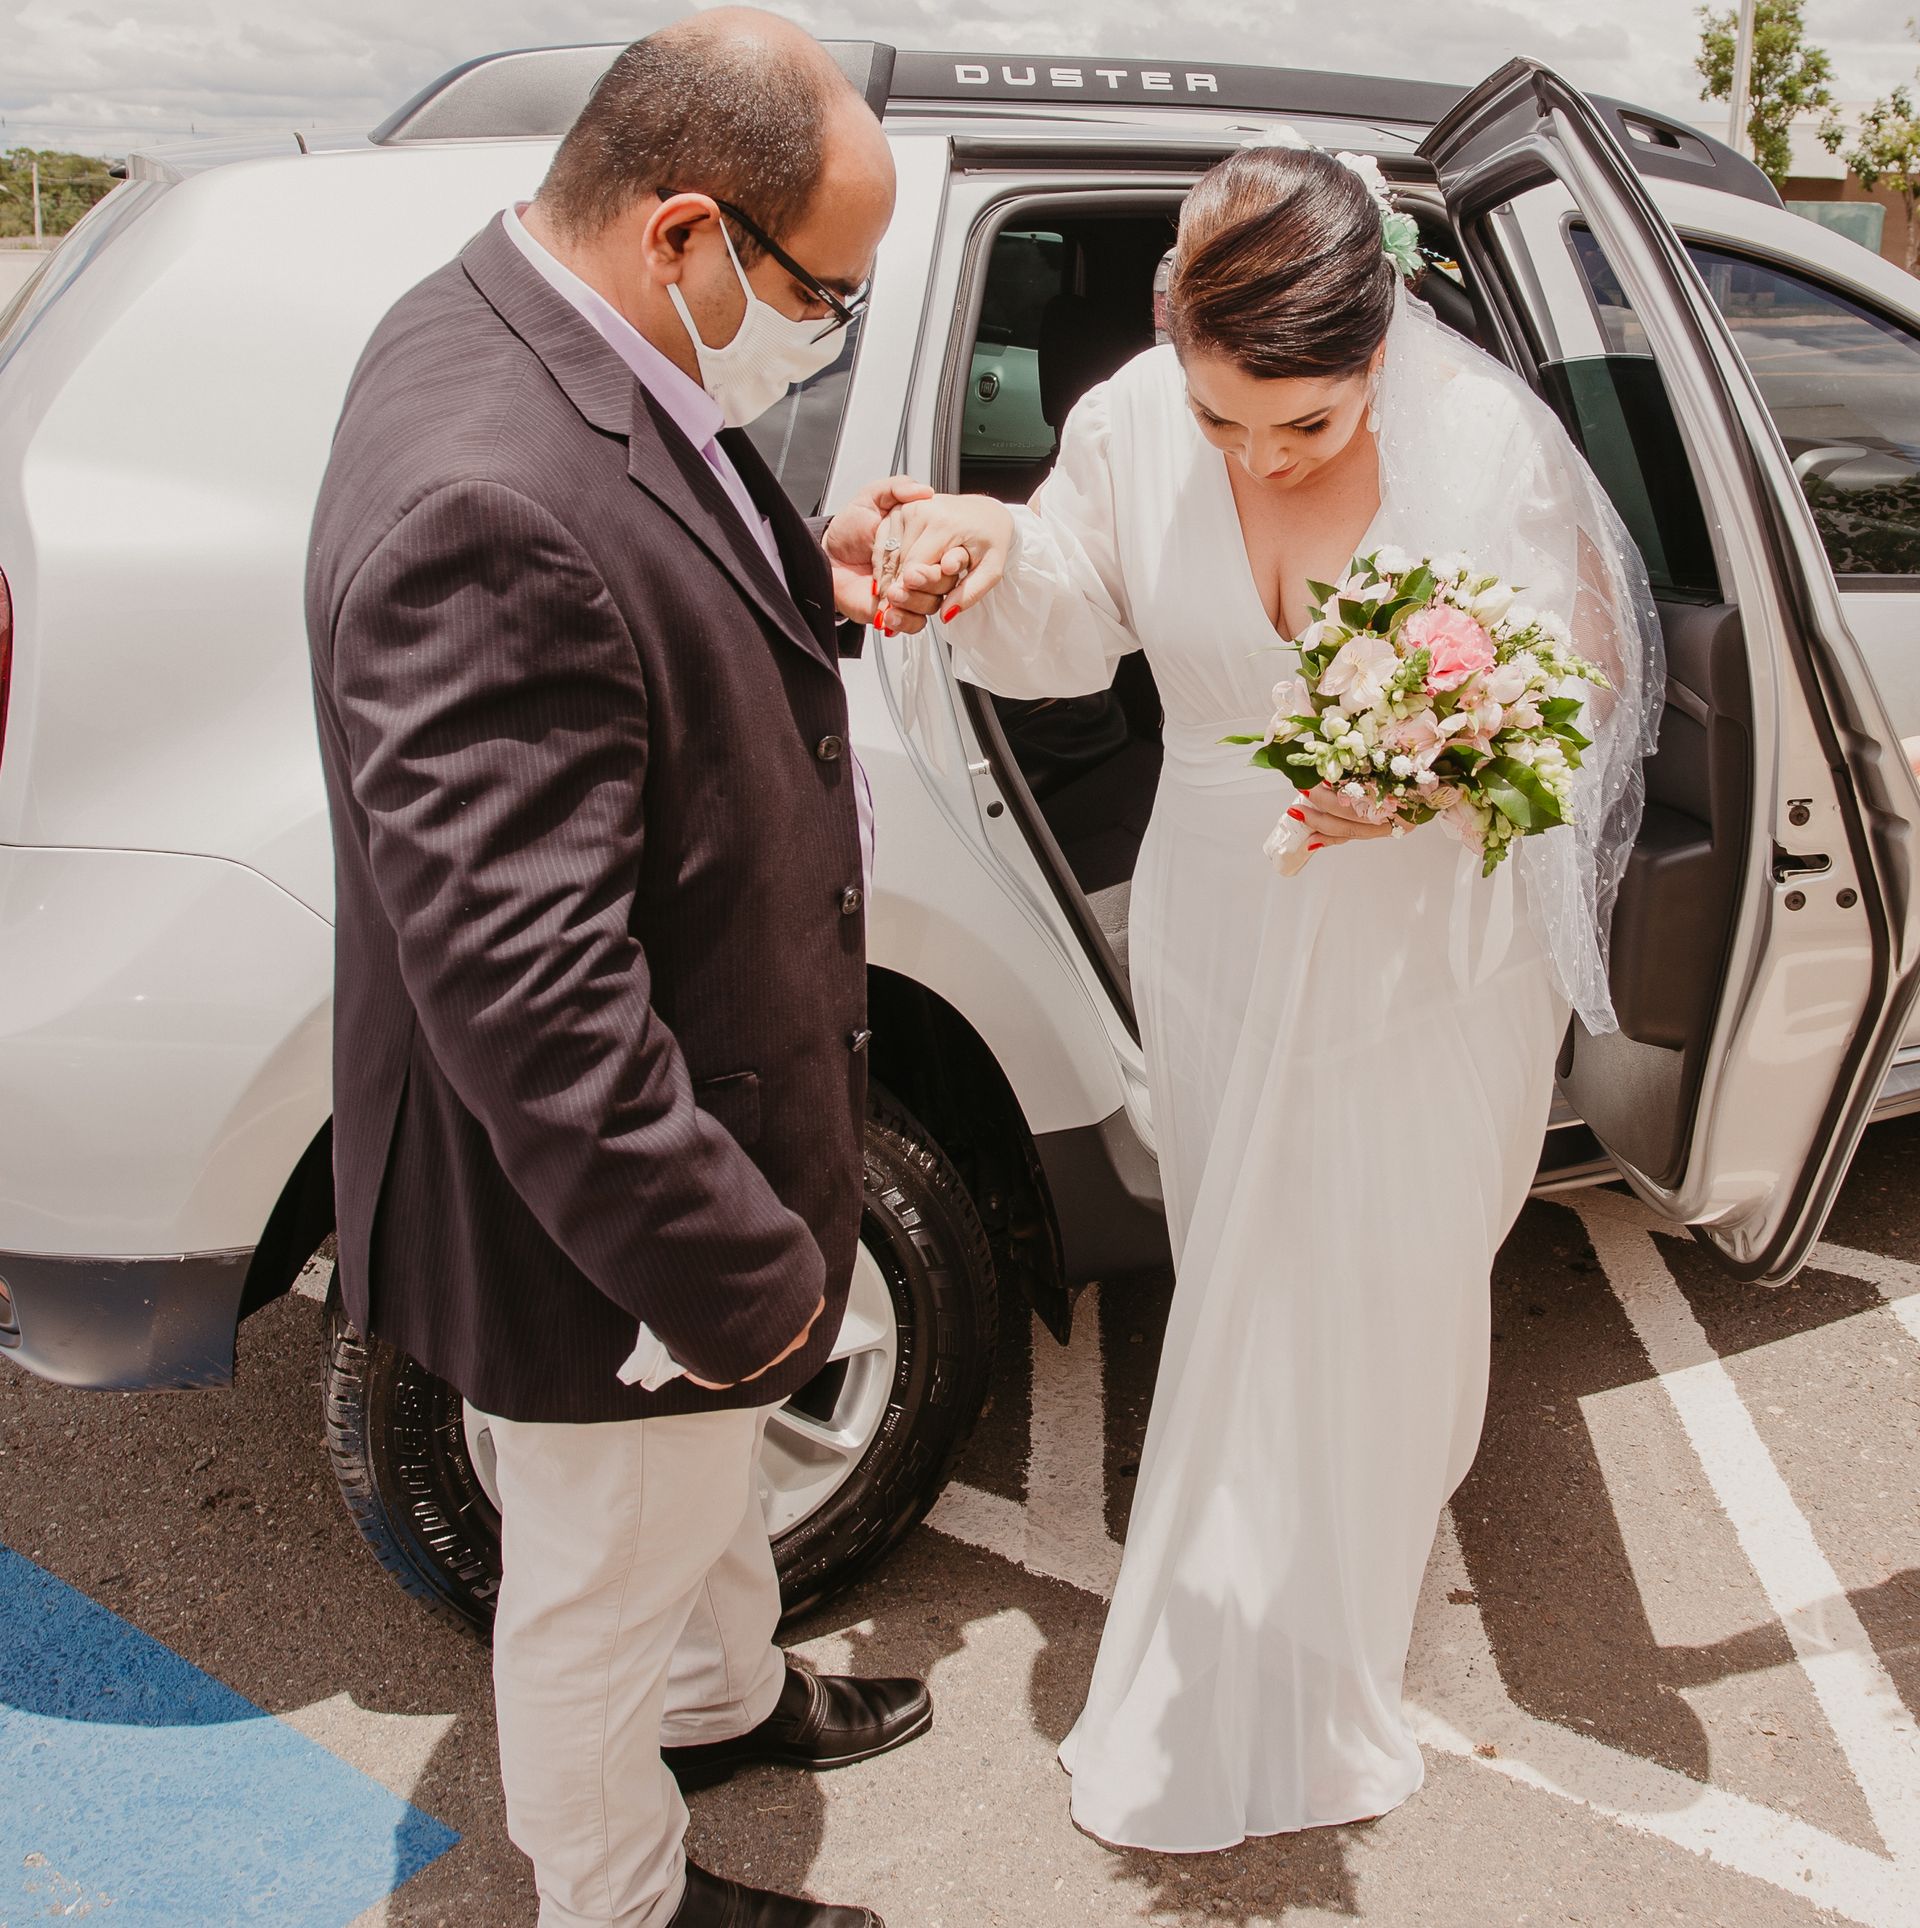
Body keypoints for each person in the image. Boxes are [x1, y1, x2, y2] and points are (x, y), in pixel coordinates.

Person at [872, 141, 1662, 1851]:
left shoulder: (1486, 442)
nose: (1253, 453)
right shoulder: (1129, 421)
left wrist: (1443, 780)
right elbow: (1074, 617)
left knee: (1387, 1249)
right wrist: (983, 557)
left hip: (1428, 929)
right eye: (1223, 417)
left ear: (1378, 345)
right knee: (1249, 1238)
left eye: (1300, 424)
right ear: (1176, 338)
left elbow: (1573, 689)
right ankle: (1262, 1571)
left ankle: (1357, 1534)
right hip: (1225, 893)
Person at [307, 14, 950, 1925]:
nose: (835, 326)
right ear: (685, 233)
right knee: (595, 1574)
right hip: (612, 1213)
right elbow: (532, 998)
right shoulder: (482, 500)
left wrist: (798, 563)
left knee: (699, 1513)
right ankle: (622, 1890)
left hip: (710, 1123)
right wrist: (740, 1277)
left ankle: (728, 1696)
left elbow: (661, 484)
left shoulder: (514, 316)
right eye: (828, 291)